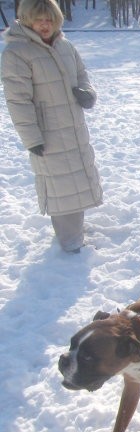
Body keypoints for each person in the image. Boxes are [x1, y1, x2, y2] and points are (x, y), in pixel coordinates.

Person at [1, 0, 102, 253]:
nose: (44, 25)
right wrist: (31, 137)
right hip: (48, 134)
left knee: (75, 181)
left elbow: (82, 75)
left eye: (49, 19)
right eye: (38, 19)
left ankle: (74, 231)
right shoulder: (17, 52)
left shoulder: (65, 46)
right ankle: (70, 244)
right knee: (61, 188)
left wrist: (87, 92)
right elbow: (18, 100)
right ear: (26, 19)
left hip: (73, 127)